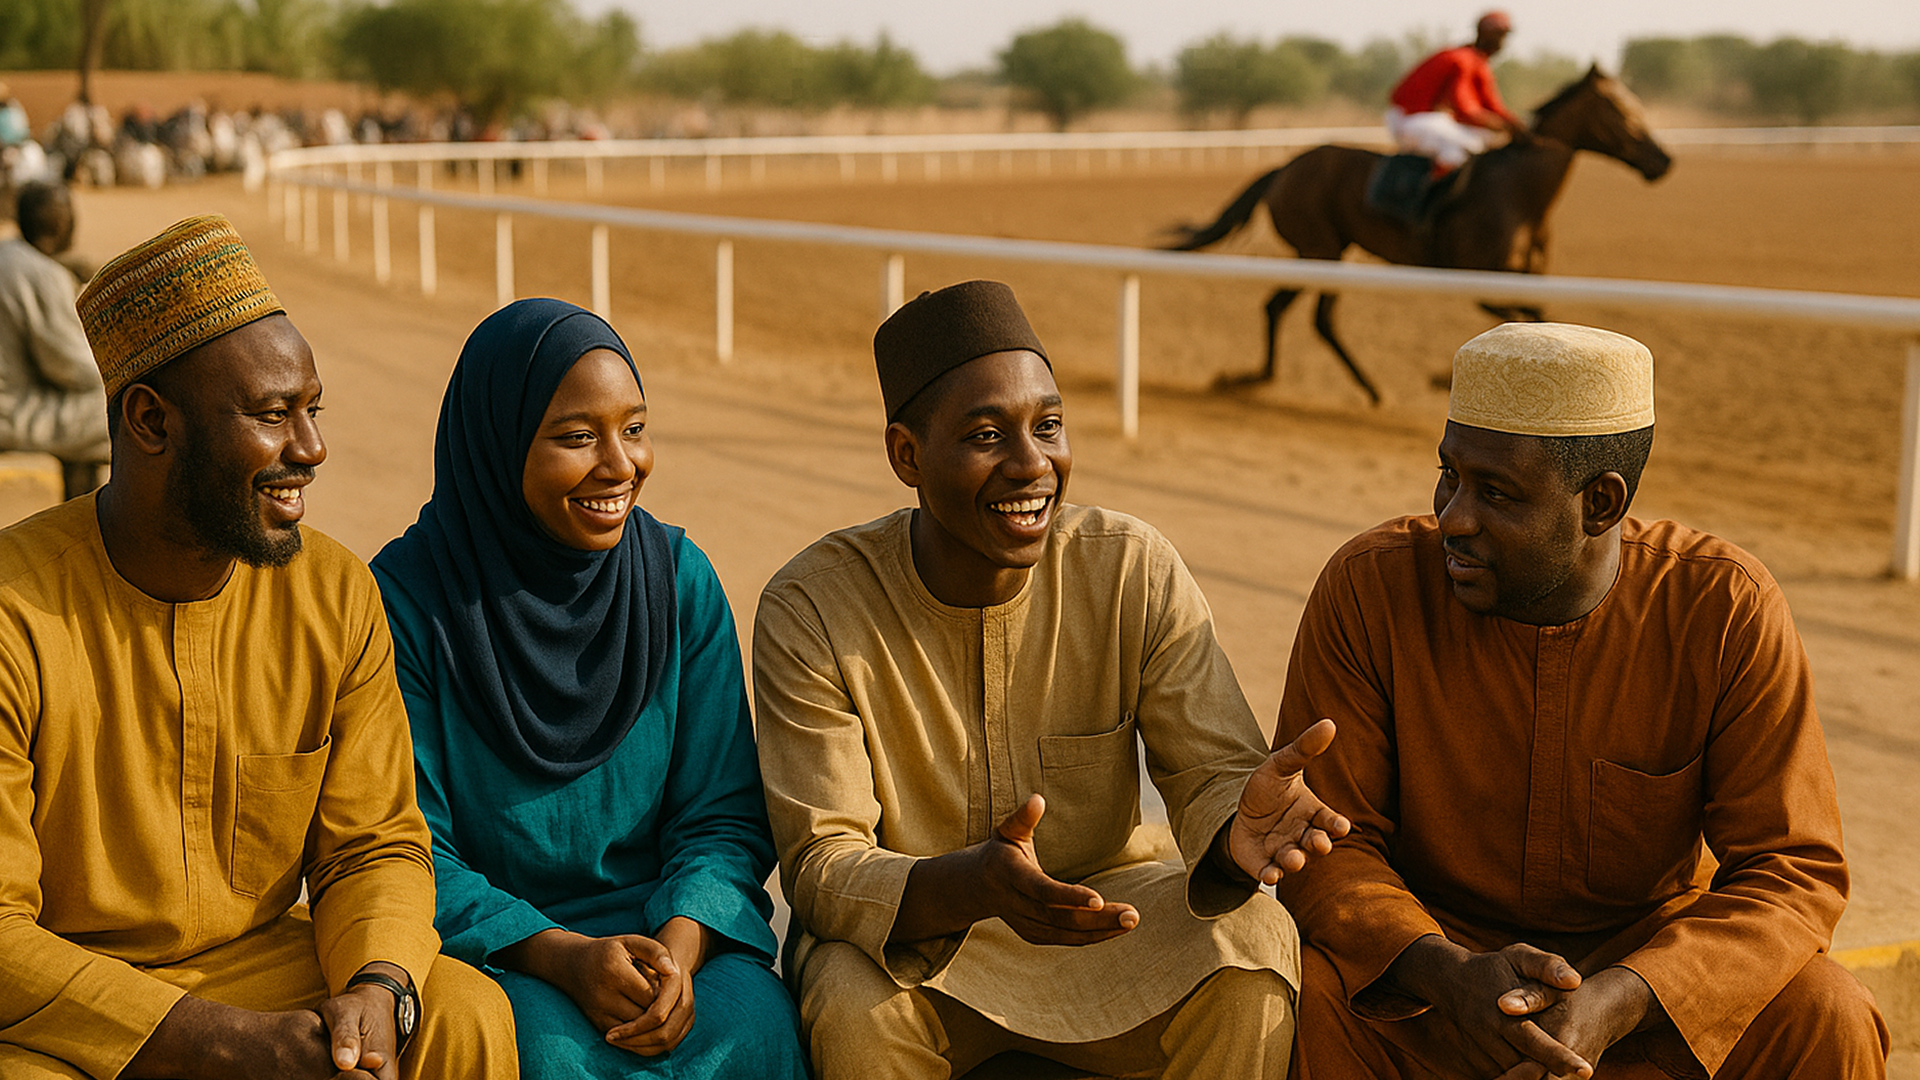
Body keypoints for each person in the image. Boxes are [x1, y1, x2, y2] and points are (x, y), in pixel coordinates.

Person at [753, 280, 1352, 1080]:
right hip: (923, 941)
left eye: (1049, 426)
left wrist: (1234, 834)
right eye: (986, 434)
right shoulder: (815, 607)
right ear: (907, 455)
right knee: (847, 997)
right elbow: (824, 864)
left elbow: (1212, 771)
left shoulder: (1130, 568)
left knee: (1255, 944)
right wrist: (972, 884)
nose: (1033, 464)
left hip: (1110, 914)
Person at [1273, 322, 1890, 1079]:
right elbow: (1327, 845)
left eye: (1495, 492)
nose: (1454, 518)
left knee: (1825, 1014)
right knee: (1297, 992)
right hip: (1434, 989)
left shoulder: (1723, 608)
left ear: (1600, 503)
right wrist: (1442, 971)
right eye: (1449, 475)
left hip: (1649, 998)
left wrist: (1624, 997)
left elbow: (1791, 869)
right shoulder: (1370, 589)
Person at [0, 214, 517, 1079]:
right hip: (77, 1004)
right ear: (150, 422)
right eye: (273, 416)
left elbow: (375, 846)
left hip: (268, 971)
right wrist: (224, 1045)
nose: (311, 451)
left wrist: (378, 989)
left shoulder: (335, 593)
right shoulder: (16, 610)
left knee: (463, 1014)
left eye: (312, 411)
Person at [370, 298, 807, 1080]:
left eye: (634, 429)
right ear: (497, 447)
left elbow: (722, 816)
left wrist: (679, 948)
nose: (619, 466)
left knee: (759, 1024)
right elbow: (412, 848)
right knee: (541, 1054)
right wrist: (567, 959)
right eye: (576, 437)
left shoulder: (678, 582)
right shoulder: (408, 605)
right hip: (502, 952)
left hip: (671, 935)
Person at [0, 181, 110, 500]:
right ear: (64, 224)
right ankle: (79, 528)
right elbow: (73, 369)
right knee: (117, 410)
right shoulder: (42, 275)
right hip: (10, 415)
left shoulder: (10, 255)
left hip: (13, 404)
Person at [1387, 11, 1527, 173]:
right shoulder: (1462, 60)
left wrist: (1514, 123)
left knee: (1484, 140)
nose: (1502, 42)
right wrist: (1503, 126)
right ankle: (1429, 197)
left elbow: (1492, 105)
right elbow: (1466, 110)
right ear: (1484, 33)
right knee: (1465, 148)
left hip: (1428, 118)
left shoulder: (1477, 61)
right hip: (1410, 118)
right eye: (1499, 35)